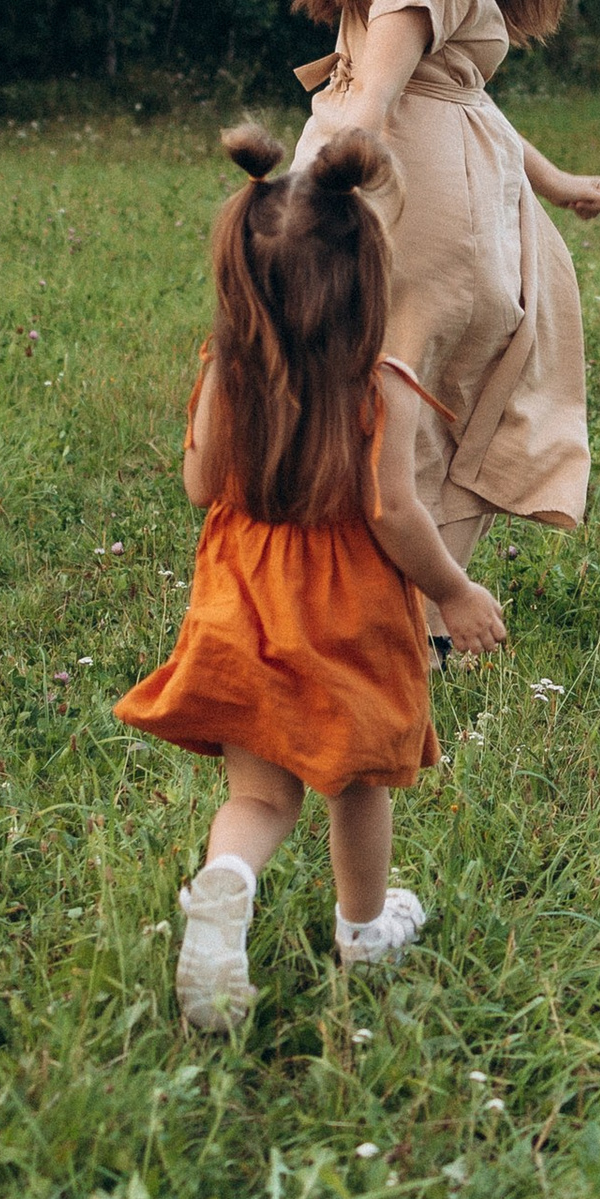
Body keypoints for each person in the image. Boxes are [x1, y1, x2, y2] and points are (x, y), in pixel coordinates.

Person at [115, 123, 509, 1031]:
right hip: (349, 606)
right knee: (357, 778)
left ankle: (227, 882)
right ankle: (364, 931)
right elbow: (395, 512)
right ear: (368, 276)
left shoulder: (229, 371)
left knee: (259, 794)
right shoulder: (383, 384)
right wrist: (454, 591)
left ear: (240, 278)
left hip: (245, 594)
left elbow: (201, 485)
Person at [286, 0, 600, 619]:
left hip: (429, 186)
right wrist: (335, 192)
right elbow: (379, 93)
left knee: (410, 396)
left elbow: (457, 91)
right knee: (442, 398)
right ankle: (416, 622)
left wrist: (553, 182)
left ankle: (385, 613)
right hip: (426, 209)